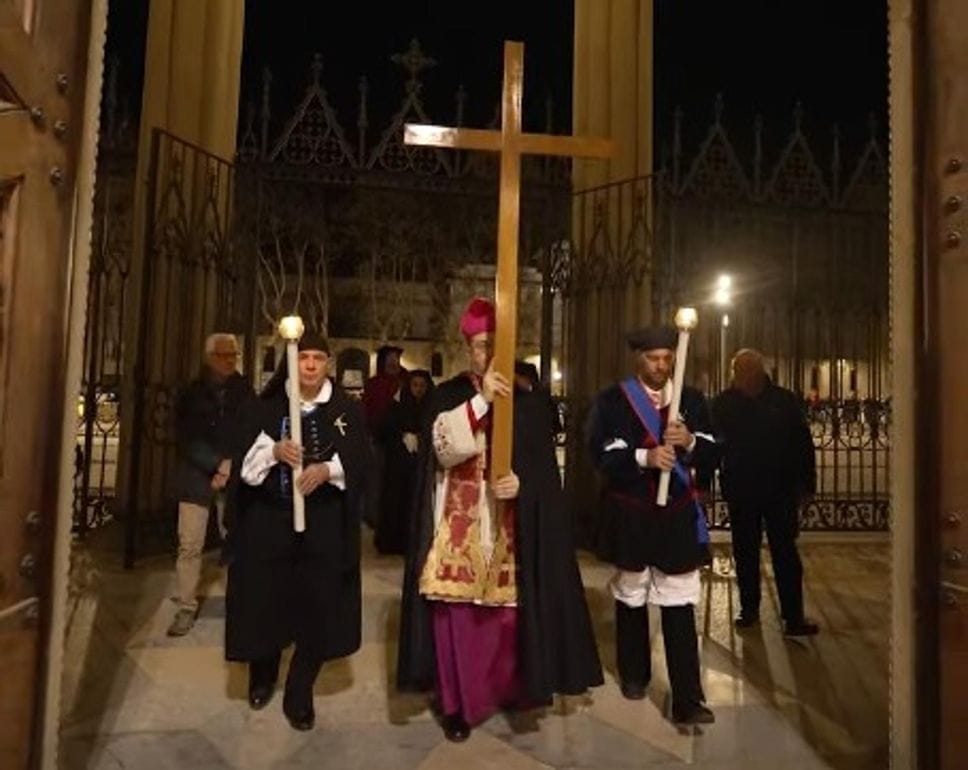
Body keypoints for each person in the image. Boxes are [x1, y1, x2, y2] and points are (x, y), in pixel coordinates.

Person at [397, 297, 602, 742]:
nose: (487, 353)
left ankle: (510, 693)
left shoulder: (530, 402)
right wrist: (482, 401)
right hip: (458, 526)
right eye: (480, 345)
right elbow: (443, 449)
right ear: (467, 348)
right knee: (457, 617)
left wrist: (522, 485)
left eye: (496, 345)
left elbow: (544, 474)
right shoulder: (448, 395)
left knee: (506, 621)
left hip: (509, 529)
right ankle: (457, 705)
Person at [223, 332, 371, 731]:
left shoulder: (346, 411)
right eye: (303, 357)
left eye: (318, 358)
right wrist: (273, 451)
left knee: (318, 605)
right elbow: (244, 469)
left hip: (323, 525)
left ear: (328, 364)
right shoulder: (264, 407)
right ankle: (263, 671)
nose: (310, 365)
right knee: (265, 599)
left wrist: (328, 470)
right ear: (292, 362)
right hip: (269, 521)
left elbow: (361, 461)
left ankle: (300, 689)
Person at [586, 325, 715, 725]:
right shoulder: (612, 401)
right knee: (632, 597)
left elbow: (715, 450)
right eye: (652, 358)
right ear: (637, 359)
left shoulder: (691, 400)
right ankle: (634, 674)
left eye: (666, 358)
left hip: (675, 518)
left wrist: (691, 442)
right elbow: (600, 453)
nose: (661, 365)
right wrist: (645, 458)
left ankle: (688, 698)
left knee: (678, 605)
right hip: (632, 516)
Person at [710, 348, 819, 636]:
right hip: (741, 488)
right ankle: (749, 609)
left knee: (785, 553)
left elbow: (802, 444)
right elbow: (711, 446)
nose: (743, 376)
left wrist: (807, 485)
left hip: (779, 488)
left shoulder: (783, 401)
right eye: (739, 370)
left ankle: (793, 616)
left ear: (760, 372)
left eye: (748, 370)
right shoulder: (724, 403)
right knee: (745, 552)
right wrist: (703, 483)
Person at [167, 333, 253, 637]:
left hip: (232, 476)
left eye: (233, 355)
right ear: (209, 357)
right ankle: (186, 605)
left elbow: (251, 432)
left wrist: (231, 464)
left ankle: (239, 602)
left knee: (237, 541)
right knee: (190, 544)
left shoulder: (244, 391)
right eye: (223, 355)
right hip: (196, 477)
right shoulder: (192, 392)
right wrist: (217, 464)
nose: (230, 360)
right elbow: (186, 437)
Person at [374, 369, 435, 555]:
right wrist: (402, 435)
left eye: (422, 386)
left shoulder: (431, 406)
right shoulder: (397, 405)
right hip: (398, 464)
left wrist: (421, 438)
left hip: (421, 464)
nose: (419, 389)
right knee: (396, 502)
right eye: (415, 385)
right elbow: (383, 430)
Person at [361, 344, 409, 528]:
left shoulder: (406, 381)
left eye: (395, 359)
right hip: (377, 439)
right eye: (389, 359)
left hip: (401, 441)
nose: (393, 363)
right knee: (376, 480)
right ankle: (374, 517)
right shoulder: (373, 384)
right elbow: (367, 411)